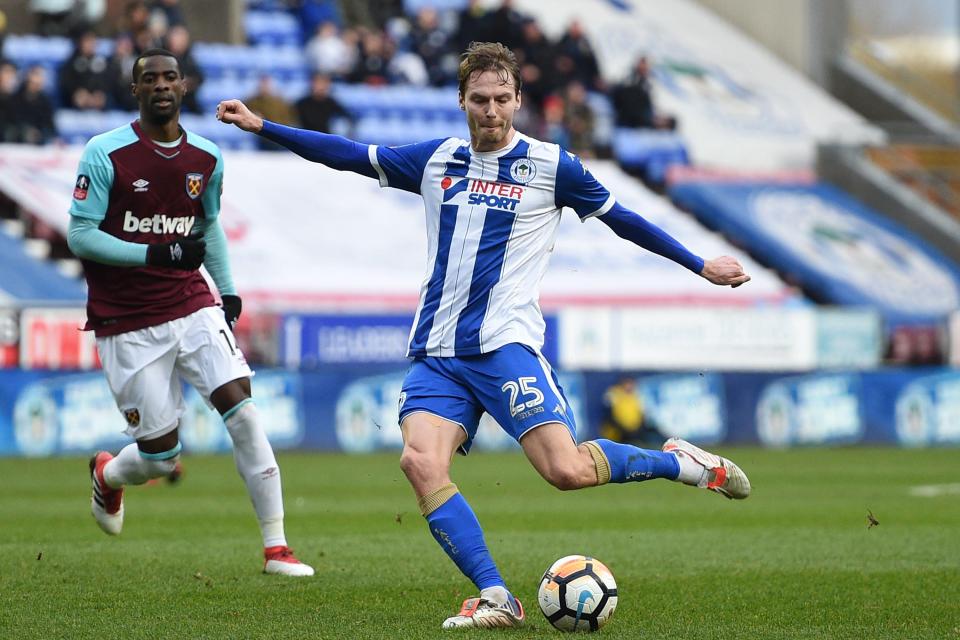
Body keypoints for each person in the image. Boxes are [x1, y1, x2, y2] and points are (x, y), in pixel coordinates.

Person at [216, 41, 751, 628]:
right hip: (437, 353)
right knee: (420, 463)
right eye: (479, 100)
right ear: (462, 101)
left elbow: (625, 220)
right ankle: (497, 596)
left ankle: (681, 464)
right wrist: (263, 125)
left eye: (501, 99)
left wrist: (700, 264)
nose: (491, 111)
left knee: (566, 472)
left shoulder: (553, 167)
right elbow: (347, 154)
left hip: (504, 347)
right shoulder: (437, 159)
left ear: (519, 100)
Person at [66, 48, 313, 578]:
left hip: (190, 300)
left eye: (170, 77)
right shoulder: (104, 153)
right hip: (125, 318)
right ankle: (109, 475)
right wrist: (154, 253)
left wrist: (227, 291)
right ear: (135, 91)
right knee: (159, 457)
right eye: (149, 79)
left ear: (184, 86)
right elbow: (81, 235)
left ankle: (277, 548)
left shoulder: (206, 156)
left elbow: (208, 227)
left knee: (243, 412)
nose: (160, 85)